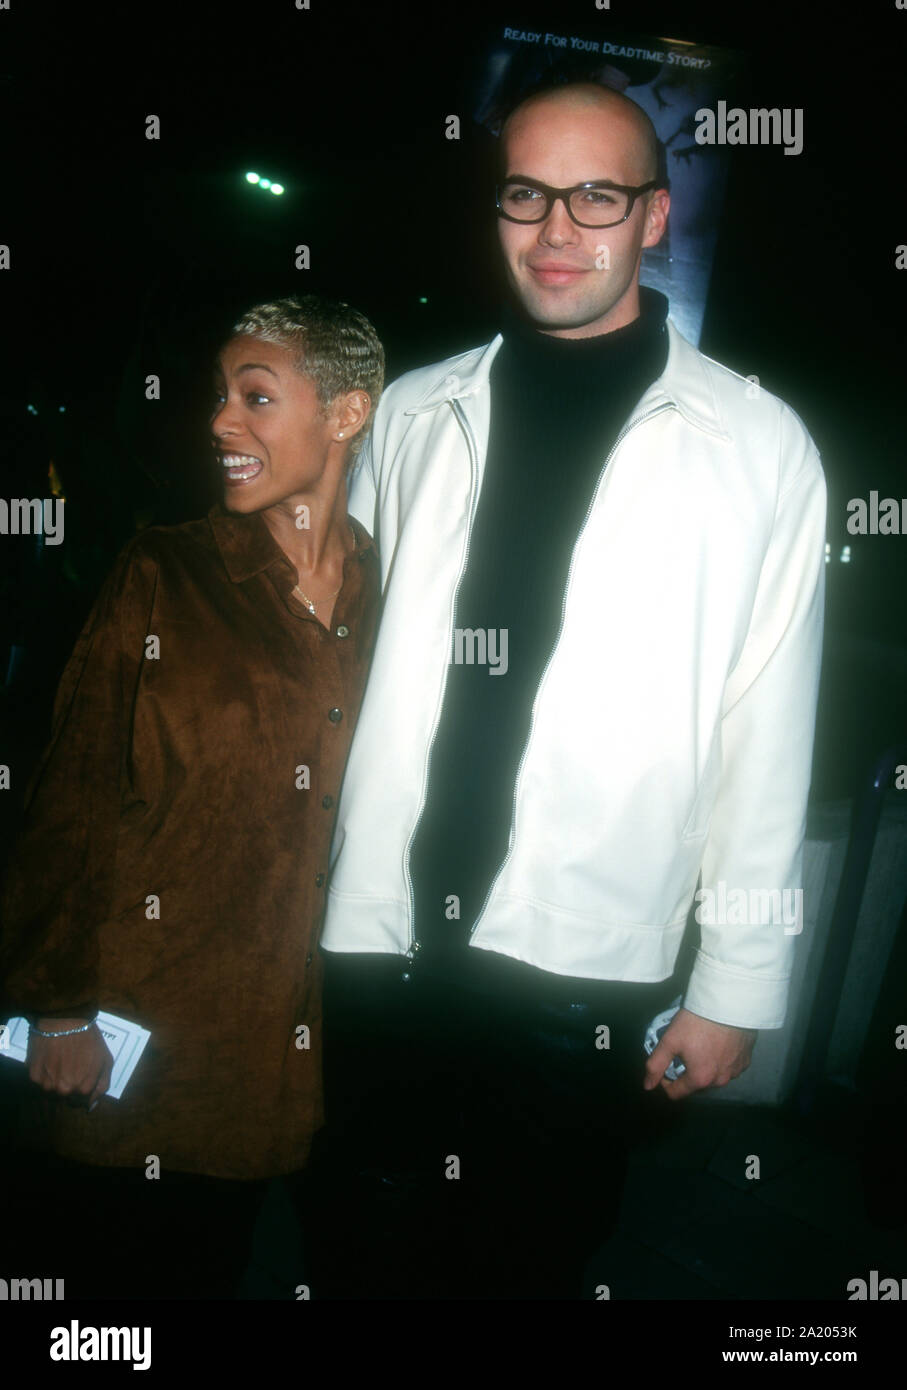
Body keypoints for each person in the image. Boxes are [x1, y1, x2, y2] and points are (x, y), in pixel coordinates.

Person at [307, 82, 827, 1300]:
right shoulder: (410, 410)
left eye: (596, 194)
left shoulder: (758, 447)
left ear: (654, 215)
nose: (555, 229)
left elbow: (769, 732)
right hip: (375, 943)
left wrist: (736, 984)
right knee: (353, 1251)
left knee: (528, 1266)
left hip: (583, 967)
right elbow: (338, 670)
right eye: (527, 194)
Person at [0, 293, 383, 1298]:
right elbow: (70, 795)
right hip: (144, 1024)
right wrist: (54, 1007)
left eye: (255, 396)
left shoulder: (394, 591)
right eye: (219, 397)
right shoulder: (160, 575)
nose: (219, 422)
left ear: (347, 414)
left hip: (302, 1045)